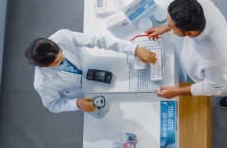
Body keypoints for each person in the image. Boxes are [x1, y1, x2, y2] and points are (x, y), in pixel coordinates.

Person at [147, 0, 227, 108]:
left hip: (219, 78)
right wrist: (164, 28)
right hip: (216, 67)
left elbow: (212, 87)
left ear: (189, 33)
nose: (168, 28)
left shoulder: (214, 59)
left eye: (171, 27)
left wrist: (176, 92)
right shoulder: (202, 6)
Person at [26, 29, 156, 113]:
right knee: (115, 110)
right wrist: (76, 104)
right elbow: (53, 104)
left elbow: (99, 40)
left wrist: (135, 49)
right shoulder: (42, 83)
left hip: (95, 65)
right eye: (58, 62)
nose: (63, 58)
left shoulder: (62, 36)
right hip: (82, 92)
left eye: (61, 52)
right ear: (44, 67)